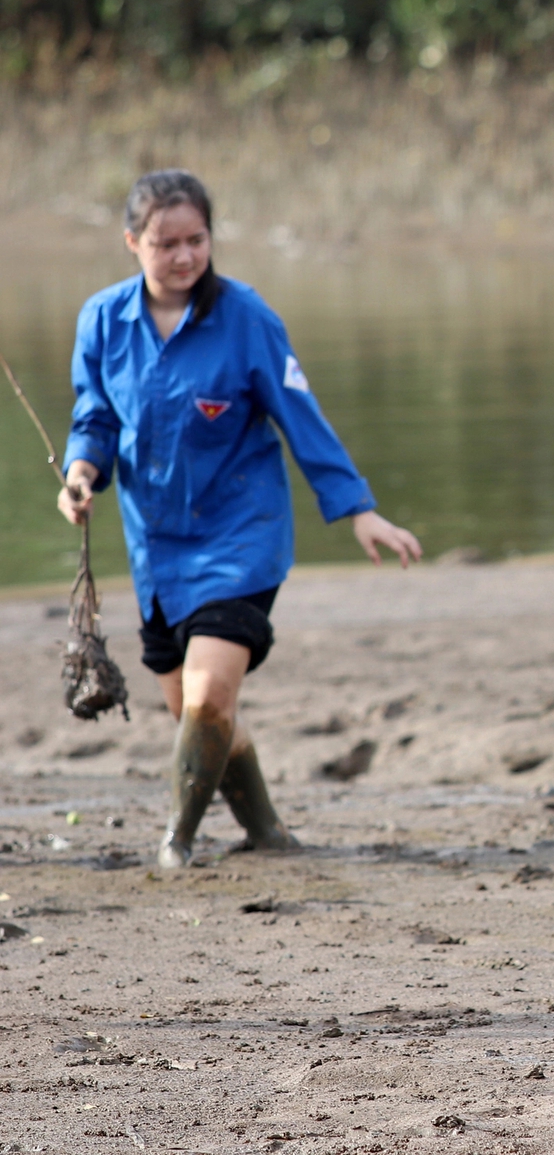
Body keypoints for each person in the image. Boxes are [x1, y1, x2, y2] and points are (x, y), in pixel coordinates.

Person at [59, 170, 421, 869]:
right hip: (156, 548)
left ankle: (176, 844)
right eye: (167, 243)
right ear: (133, 242)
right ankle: (266, 831)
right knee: (195, 711)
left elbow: (300, 418)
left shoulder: (247, 318)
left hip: (240, 536)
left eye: (197, 240)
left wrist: (358, 510)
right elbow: (94, 416)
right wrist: (81, 475)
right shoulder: (103, 320)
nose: (185, 257)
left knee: (209, 693)